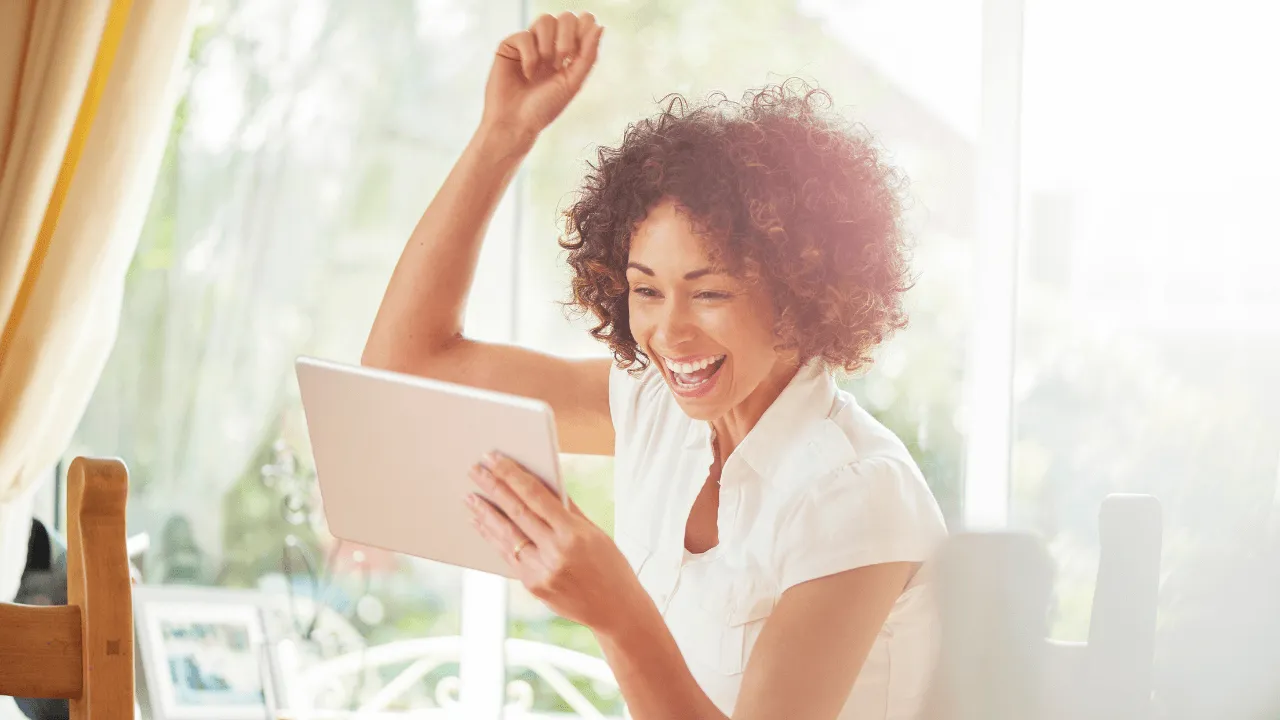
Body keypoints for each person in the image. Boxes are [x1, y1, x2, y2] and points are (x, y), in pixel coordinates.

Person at [362, 11, 946, 719]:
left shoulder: (855, 494)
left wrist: (616, 612)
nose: (668, 333)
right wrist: (502, 135)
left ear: (801, 291)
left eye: (710, 292)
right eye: (645, 290)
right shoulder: (654, 410)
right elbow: (403, 374)